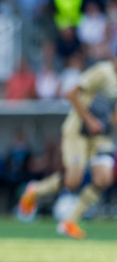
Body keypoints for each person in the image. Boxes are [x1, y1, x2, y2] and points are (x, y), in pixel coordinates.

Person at [18, 56, 117, 239]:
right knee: (73, 181)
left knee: (103, 179)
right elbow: (71, 93)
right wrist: (90, 120)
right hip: (78, 131)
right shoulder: (103, 72)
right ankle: (35, 190)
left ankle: (69, 221)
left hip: (100, 136)